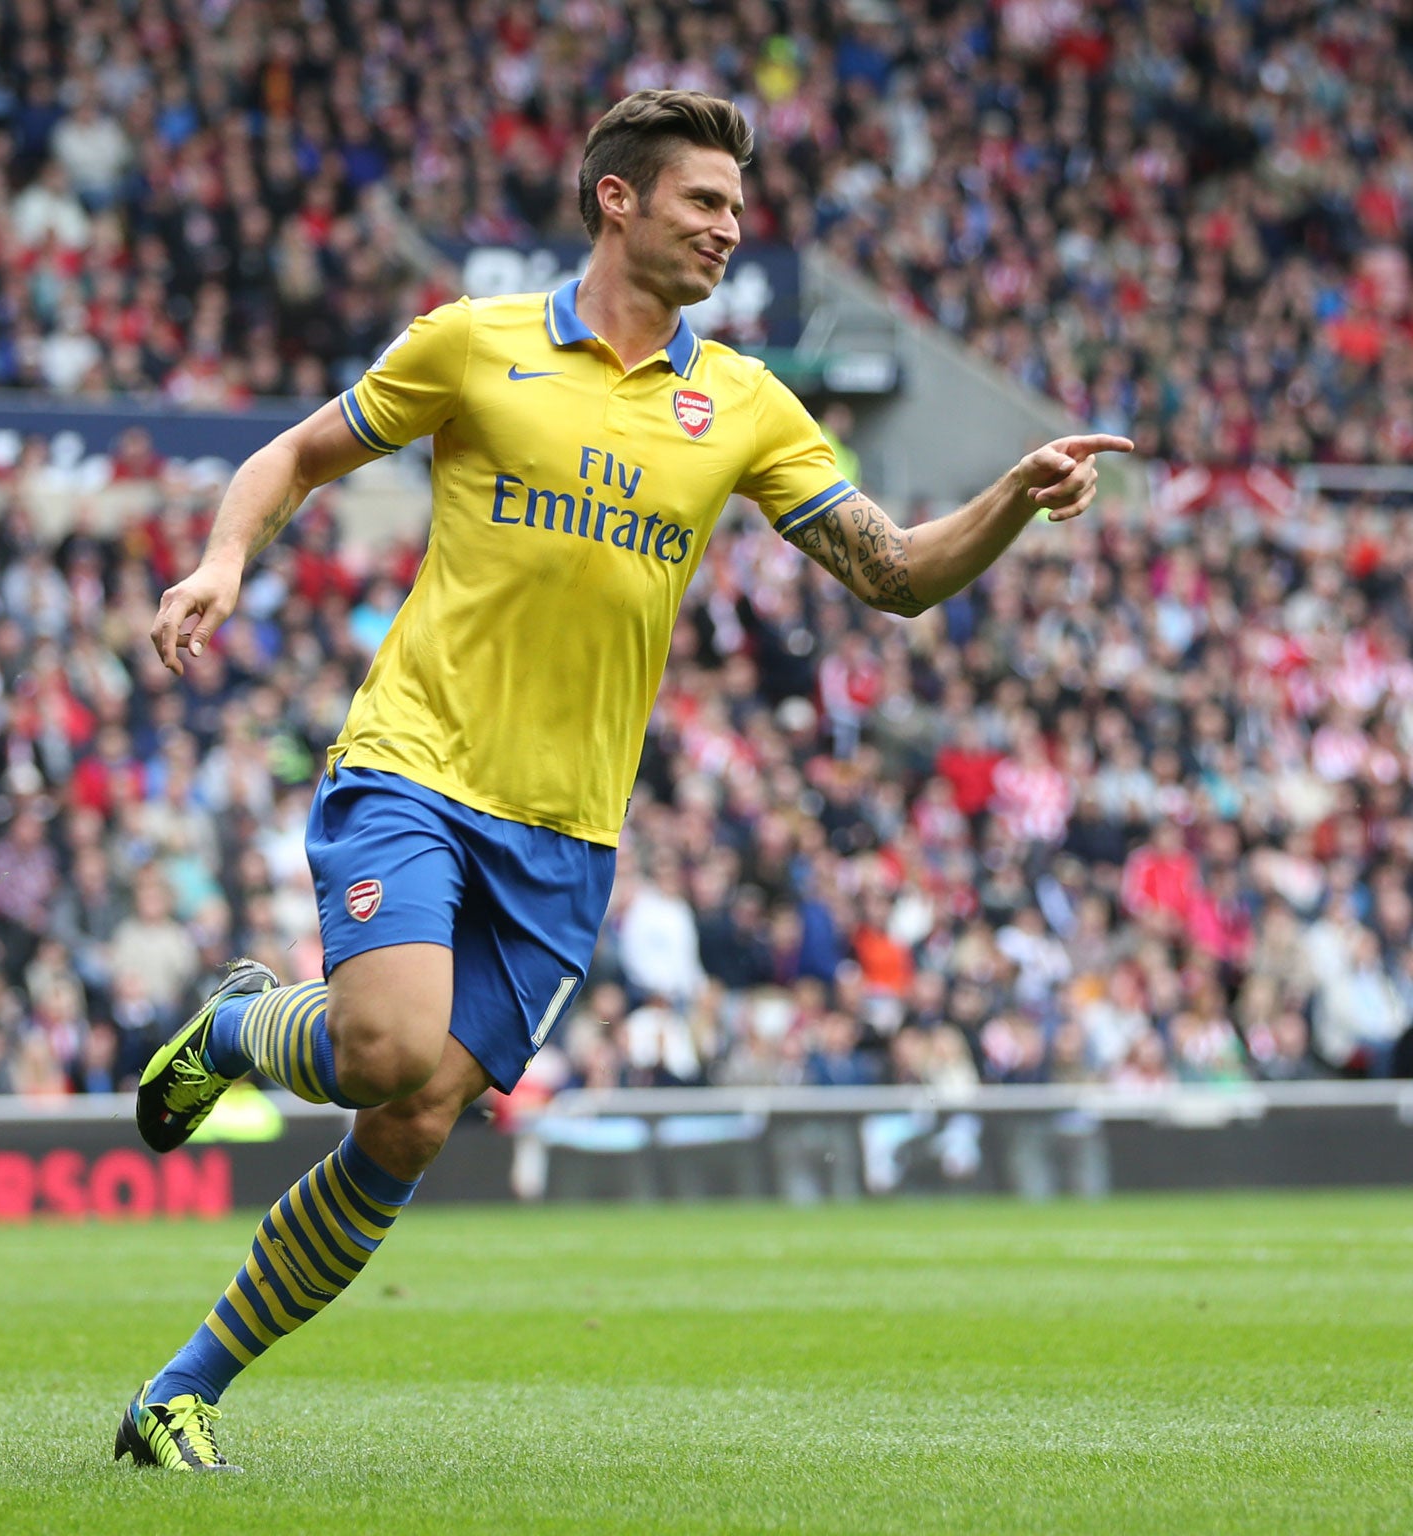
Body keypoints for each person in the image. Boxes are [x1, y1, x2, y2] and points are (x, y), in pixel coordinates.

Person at [117, 88, 1134, 1473]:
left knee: (408, 1128)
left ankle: (181, 1392)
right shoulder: (474, 349)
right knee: (380, 1050)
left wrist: (1011, 498)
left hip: (569, 832)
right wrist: (226, 558)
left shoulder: (745, 404)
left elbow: (894, 578)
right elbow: (296, 455)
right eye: (704, 201)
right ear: (619, 198)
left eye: (736, 207)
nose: (729, 227)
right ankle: (242, 1032)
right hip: (415, 763)